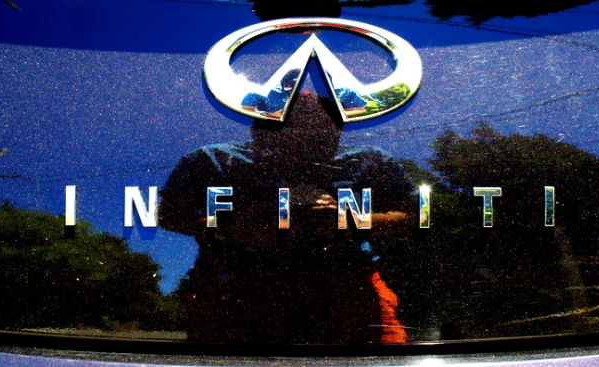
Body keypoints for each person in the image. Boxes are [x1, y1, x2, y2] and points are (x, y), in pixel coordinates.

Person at [160, 92, 414, 344]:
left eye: (316, 132)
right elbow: (165, 215)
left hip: (346, 285)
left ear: (335, 133)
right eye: (288, 130)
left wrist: (350, 221)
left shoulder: (369, 161)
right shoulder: (211, 161)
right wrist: (235, 227)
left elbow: (414, 215)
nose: (300, 145)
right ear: (258, 132)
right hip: (234, 285)